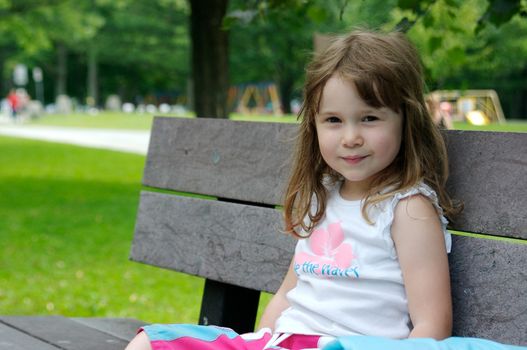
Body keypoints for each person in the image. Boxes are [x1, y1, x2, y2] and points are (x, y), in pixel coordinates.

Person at [125, 29, 461, 350]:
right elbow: (288, 293)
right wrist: (262, 339)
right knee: (150, 343)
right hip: (285, 342)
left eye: (369, 118)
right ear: (314, 126)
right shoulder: (322, 197)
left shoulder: (407, 209)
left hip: (349, 345)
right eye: (333, 120)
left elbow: (432, 326)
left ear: (407, 119)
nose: (350, 137)